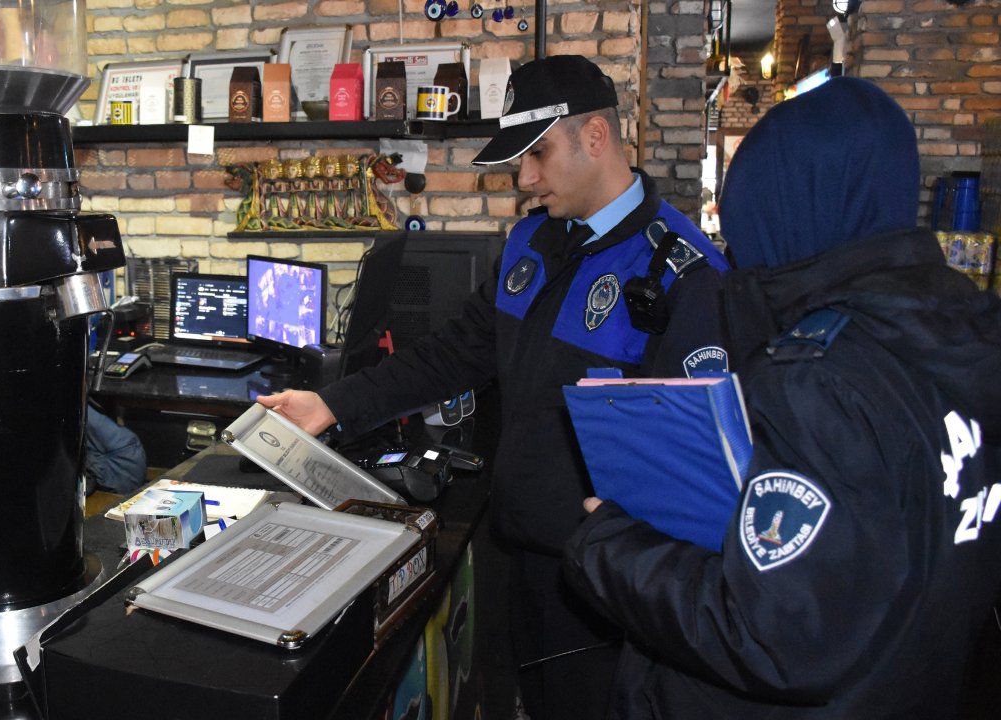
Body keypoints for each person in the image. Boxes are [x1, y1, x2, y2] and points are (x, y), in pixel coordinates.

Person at [258, 55, 731, 720]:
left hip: (610, 589)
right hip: (521, 557)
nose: (527, 178)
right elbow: (452, 355)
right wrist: (333, 403)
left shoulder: (685, 275)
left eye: (538, 154)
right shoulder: (532, 242)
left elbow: (700, 467)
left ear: (595, 138)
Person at [561, 76, 1001, 718]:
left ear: (787, 213)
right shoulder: (971, 330)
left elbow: (770, 632)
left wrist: (605, 543)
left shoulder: (818, 378)